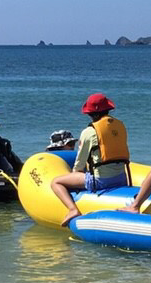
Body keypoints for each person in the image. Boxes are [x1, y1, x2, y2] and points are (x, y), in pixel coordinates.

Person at [51, 93, 130, 226]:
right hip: (122, 177)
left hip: (101, 182)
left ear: (91, 113)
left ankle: (72, 210)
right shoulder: (120, 126)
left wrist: (75, 176)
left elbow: (79, 164)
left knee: (56, 182)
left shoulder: (89, 131)